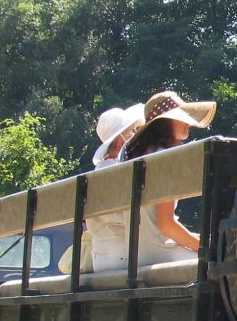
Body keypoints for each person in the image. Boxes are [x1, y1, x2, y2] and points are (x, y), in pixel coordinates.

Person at [121, 89, 216, 266]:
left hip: (138, 255)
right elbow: (167, 226)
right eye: (180, 116)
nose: (187, 121)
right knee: (223, 263)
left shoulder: (139, 158)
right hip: (161, 254)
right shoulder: (166, 159)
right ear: (164, 123)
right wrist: (208, 247)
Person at [76, 103, 146, 273]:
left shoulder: (95, 174)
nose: (140, 136)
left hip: (99, 259)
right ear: (123, 138)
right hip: (127, 258)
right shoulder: (122, 172)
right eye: (135, 131)